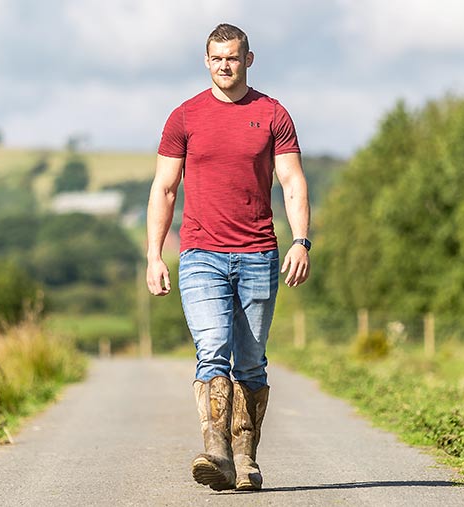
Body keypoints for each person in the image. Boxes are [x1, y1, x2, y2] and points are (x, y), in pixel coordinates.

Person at [145, 23, 311, 492]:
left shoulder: (273, 113)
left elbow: (292, 182)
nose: (225, 65)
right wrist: (154, 256)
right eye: (217, 58)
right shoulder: (185, 116)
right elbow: (164, 188)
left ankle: (245, 457)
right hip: (200, 254)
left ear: (248, 60)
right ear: (206, 61)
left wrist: (301, 240)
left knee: (252, 362)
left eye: (233, 58)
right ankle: (215, 450)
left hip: (258, 253)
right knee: (212, 349)